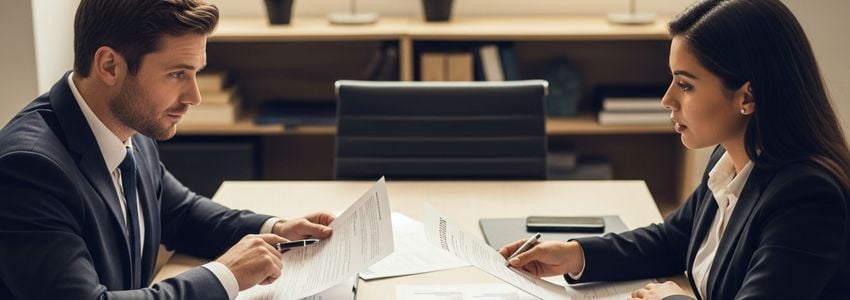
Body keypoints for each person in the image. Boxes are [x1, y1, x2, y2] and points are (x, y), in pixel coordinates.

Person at [498, 0, 850, 299]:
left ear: (748, 96)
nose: (667, 100)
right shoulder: (731, 160)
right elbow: (673, 241)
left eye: (685, 84)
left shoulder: (807, 197)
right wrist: (575, 255)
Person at [0, 0, 336, 299]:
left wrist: (275, 230)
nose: (194, 96)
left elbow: (180, 213)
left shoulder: (128, 122)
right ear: (109, 66)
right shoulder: (28, 169)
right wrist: (225, 276)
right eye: (177, 74)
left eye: (195, 73)